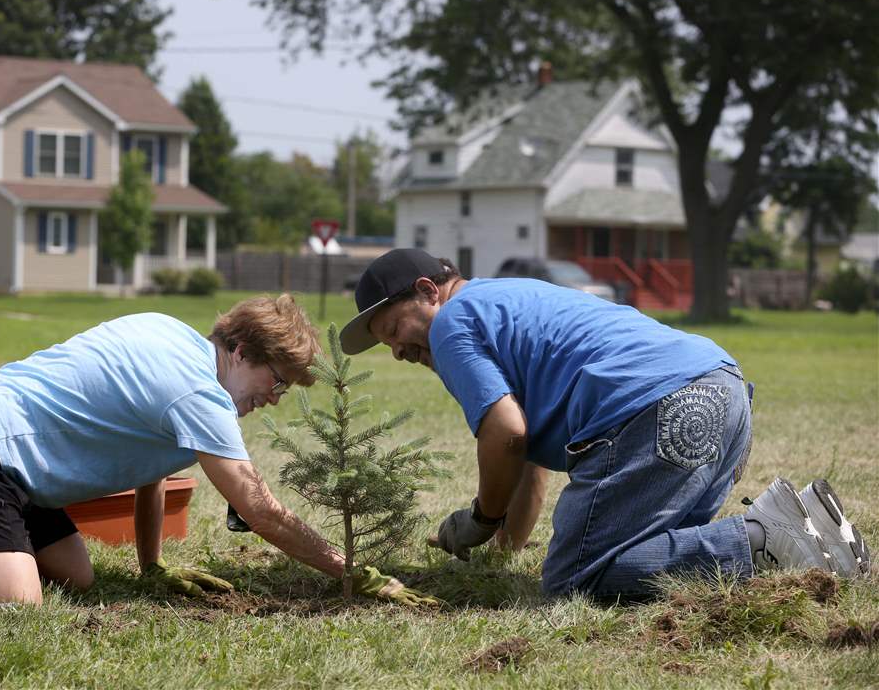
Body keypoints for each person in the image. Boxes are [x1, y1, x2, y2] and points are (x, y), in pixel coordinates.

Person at [339, 249, 870, 599]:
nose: (400, 352)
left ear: (430, 291)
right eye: (387, 345)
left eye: (394, 329)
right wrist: (504, 547)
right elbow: (525, 457)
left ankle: (761, 539)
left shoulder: (455, 322)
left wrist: (480, 518)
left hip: (656, 412)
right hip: (722, 391)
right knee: (656, 554)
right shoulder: (505, 298)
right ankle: (814, 536)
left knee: (576, 579)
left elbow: (506, 434)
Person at [0, 294, 435, 607]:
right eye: (277, 380)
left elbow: (152, 469)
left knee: (77, 577)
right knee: (15, 603)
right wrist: (352, 569)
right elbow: (261, 510)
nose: (276, 398)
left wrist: (152, 565)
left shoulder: (177, 338)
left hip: (8, 459)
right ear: (241, 350)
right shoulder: (196, 392)